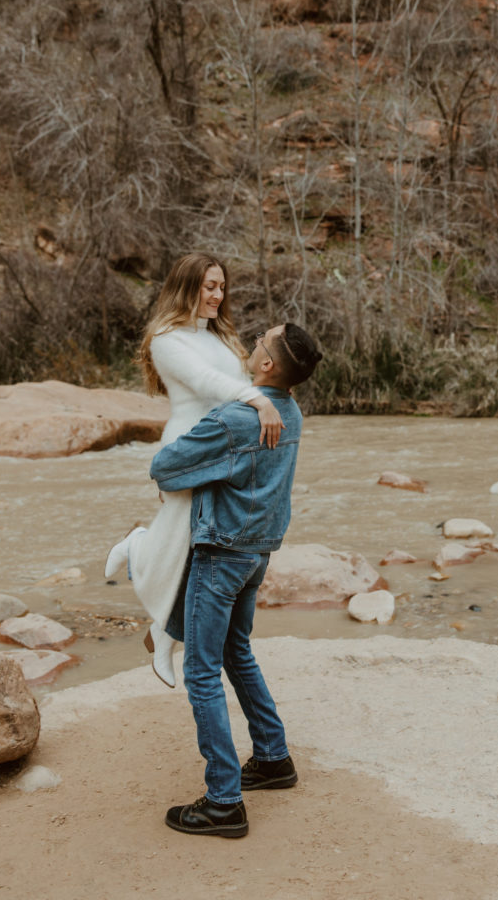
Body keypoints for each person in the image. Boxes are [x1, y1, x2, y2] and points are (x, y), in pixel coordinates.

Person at [149, 322, 322, 838]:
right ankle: (272, 759)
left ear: (267, 365)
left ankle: (224, 801)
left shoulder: (235, 419)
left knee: (202, 672)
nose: (252, 343)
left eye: (261, 342)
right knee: (236, 651)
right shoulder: (289, 412)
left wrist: (201, 462)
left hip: (222, 553)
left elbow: (164, 466)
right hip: (257, 554)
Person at [105, 253, 285, 687]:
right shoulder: (166, 340)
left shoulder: (220, 335)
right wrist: (260, 401)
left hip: (223, 451)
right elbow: (207, 383)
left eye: (221, 287)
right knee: (180, 546)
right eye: (209, 287)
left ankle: (160, 636)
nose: (217, 295)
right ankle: (138, 547)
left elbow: (238, 379)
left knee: (197, 553)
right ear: (187, 287)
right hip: (189, 447)